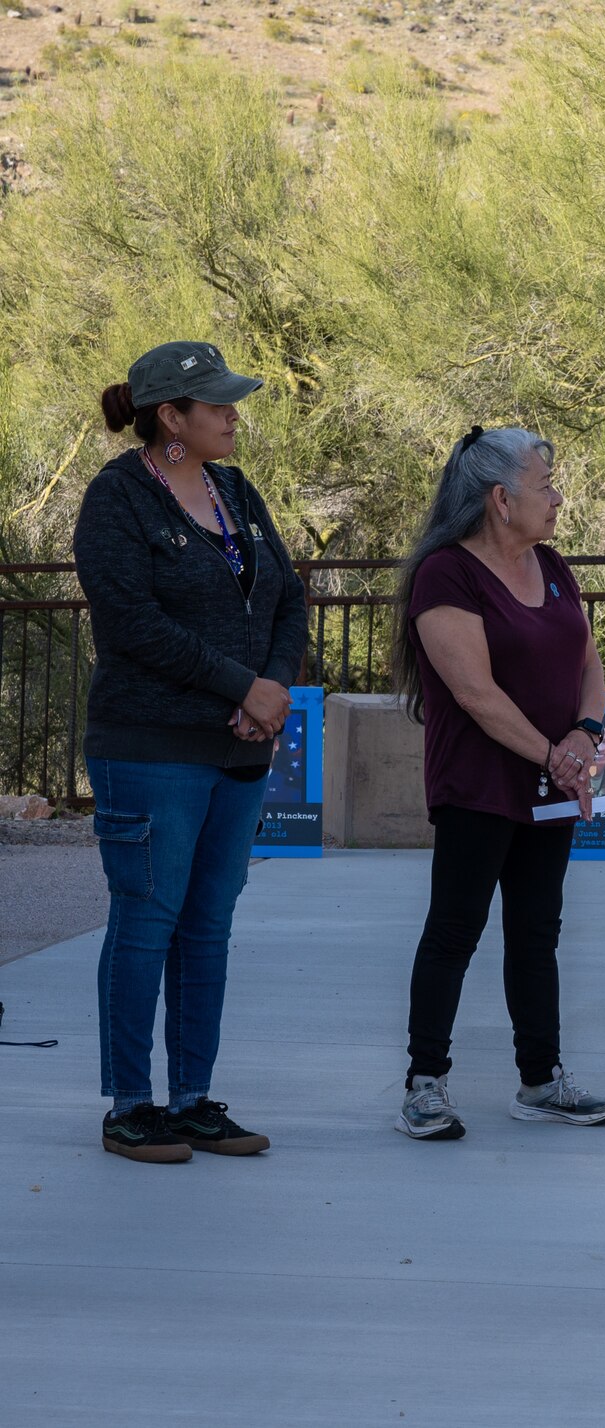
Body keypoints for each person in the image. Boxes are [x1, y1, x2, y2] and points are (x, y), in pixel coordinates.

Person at [74, 341, 307, 1163]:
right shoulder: (117, 499)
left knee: (208, 926)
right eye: (217, 404)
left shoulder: (234, 488)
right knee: (147, 922)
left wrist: (270, 686)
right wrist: (239, 687)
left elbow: (289, 595)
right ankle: (130, 1106)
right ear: (171, 417)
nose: (233, 414)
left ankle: (193, 1099)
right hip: (151, 748)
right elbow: (131, 623)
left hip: (239, 748)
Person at [388, 426, 605, 1140]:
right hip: (478, 783)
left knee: (536, 931)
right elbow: (475, 693)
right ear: (499, 499)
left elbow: (586, 658)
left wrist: (583, 732)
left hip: (552, 781)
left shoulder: (552, 565)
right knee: (455, 929)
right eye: (544, 485)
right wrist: (555, 753)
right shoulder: (445, 576)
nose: (556, 498)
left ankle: (540, 1079)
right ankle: (424, 1084)